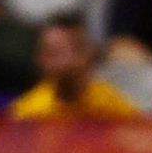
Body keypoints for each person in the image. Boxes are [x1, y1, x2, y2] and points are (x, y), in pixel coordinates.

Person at [9, 12, 138, 119]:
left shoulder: (112, 106)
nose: (67, 61)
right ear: (40, 58)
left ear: (91, 54)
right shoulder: (26, 115)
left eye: (75, 49)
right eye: (55, 52)